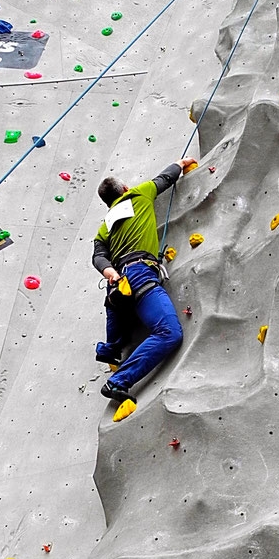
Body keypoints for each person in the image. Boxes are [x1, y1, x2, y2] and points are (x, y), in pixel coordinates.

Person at [92, 157, 196, 404]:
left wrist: (109, 272)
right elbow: (165, 178)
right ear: (125, 189)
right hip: (140, 274)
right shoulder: (138, 195)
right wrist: (181, 164)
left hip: (116, 286)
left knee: (116, 309)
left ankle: (110, 350)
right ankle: (118, 381)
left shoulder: (105, 226)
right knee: (169, 333)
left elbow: (98, 256)